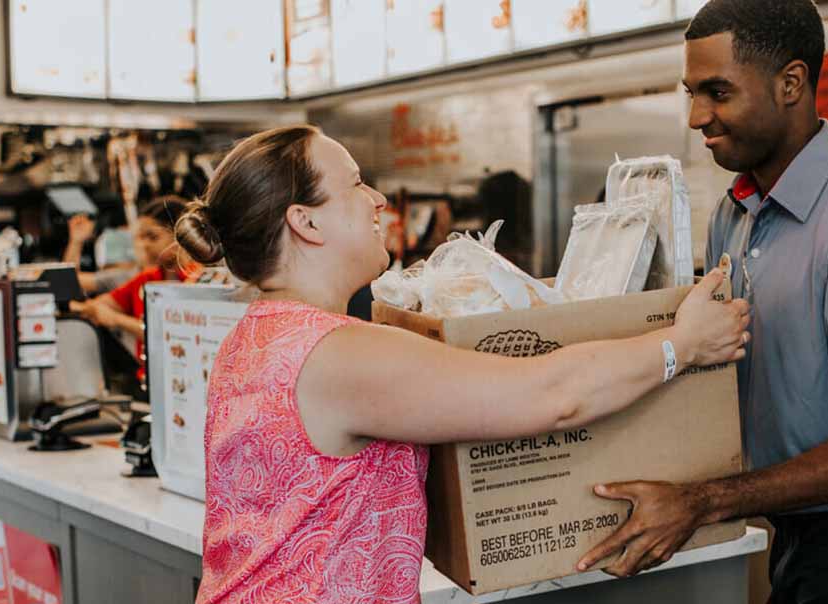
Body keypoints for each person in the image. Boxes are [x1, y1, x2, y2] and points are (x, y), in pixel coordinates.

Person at [172, 125, 751, 604]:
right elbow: (553, 396)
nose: (377, 200)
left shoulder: (257, 336)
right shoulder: (336, 354)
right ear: (307, 222)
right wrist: (684, 344)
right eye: (355, 184)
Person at [576, 2, 828, 602]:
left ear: (790, 83)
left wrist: (703, 500)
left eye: (718, 92)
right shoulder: (734, 214)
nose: (697, 117)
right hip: (793, 524)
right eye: (690, 92)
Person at [73, 196, 193, 360]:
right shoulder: (146, 280)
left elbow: (176, 336)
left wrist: (117, 319)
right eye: (140, 237)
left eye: (152, 237)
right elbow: (92, 306)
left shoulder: (197, 281)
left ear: (179, 236)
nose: (143, 245)